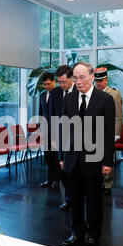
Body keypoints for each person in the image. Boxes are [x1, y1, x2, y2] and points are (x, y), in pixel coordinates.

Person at [60, 62, 115, 246]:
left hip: (95, 158)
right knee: (75, 199)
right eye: (75, 78)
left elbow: (108, 133)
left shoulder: (105, 99)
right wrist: (62, 156)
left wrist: (107, 161)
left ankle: (93, 234)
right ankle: (77, 231)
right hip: (72, 158)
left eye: (82, 77)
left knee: (93, 200)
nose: (78, 81)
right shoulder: (68, 98)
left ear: (92, 77)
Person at [50, 65, 78, 211]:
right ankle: (69, 198)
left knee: (76, 170)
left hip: (77, 138)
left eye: (64, 82)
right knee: (63, 171)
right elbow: (52, 116)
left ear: (72, 78)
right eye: (59, 82)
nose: (61, 85)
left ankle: (78, 197)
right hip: (60, 138)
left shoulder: (80, 91)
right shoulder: (55, 93)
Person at [93, 67, 123, 195]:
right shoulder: (92, 92)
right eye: (97, 81)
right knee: (95, 158)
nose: (99, 83)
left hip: (108, 132)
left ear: (106, 80)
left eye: (101, 80)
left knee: (108, 158)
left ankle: (107, 184)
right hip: (94, 131)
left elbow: (118, 115)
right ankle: (97, 181)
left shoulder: (114, 93)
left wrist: (116, 133)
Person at [39, 72, 57, 189]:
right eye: (44, 84)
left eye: (49, 84)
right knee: (48, 157)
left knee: (57, 157)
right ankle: (49, 179)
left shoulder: (59, 94)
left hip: (57, 130)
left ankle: (58, 180)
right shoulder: (42, 95)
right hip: (45, 131)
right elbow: (40, 114)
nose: (47, 86)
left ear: (54, 82)